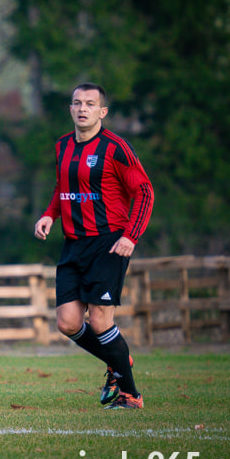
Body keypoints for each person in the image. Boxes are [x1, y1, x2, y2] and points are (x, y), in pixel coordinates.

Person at [34, 82, 153, 410]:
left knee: (101, 321)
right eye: (76, 103)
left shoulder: (116, 148)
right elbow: (62, 189)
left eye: (89, 103)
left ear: (103, 112)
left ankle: (131, 396)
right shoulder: (62, 146)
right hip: (73, 246)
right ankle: (119, 362)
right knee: (68, 323)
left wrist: (131, 235)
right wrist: (49, 215)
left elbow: (144, 191)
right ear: (70, 109)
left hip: (108, 243)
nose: (82, 108)